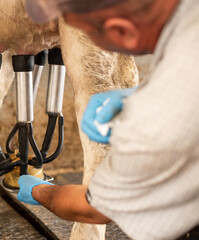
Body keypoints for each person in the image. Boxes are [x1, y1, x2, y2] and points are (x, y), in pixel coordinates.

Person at [17, 0, 199, 239]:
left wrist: (39, 192)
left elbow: (93, 208)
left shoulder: (153, 125)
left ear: (122, 31)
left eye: (88, 34)